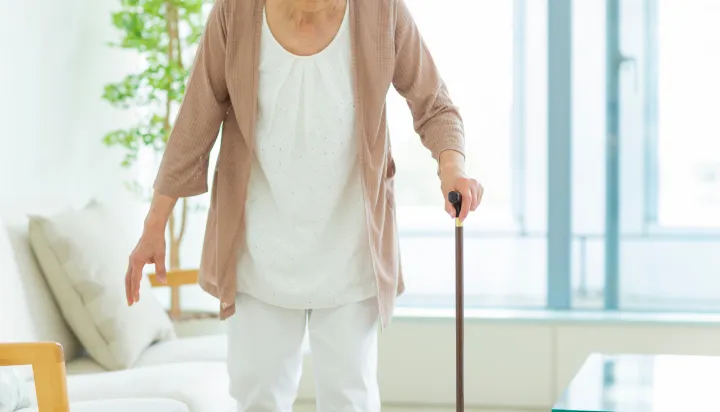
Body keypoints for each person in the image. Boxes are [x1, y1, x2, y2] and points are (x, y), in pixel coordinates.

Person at [125, 0, 483, 410]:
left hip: (352, 249)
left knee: (349, 398)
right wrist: (154, 224)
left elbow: (434, 104)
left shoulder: (382, 12)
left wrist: (452, 168)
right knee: (259, 397)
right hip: (257, 251)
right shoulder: (235, 13)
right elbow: (196, 119)